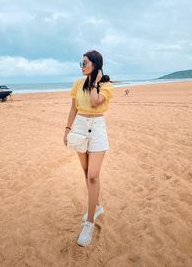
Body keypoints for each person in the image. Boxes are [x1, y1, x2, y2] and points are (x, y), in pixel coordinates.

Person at [63, 50, 113, 247]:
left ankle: (89, 222)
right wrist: (67, 129)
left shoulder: (107, 86)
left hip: (97, 128)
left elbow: (94, 102)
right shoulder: (77, 83)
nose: (82, 65)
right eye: (81, 62)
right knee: (85, 173)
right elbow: (73, 108)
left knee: (93, 175)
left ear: (96, 64)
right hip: (80, 127)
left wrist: (94, 83)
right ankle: (97, 206)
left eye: (85, 62)